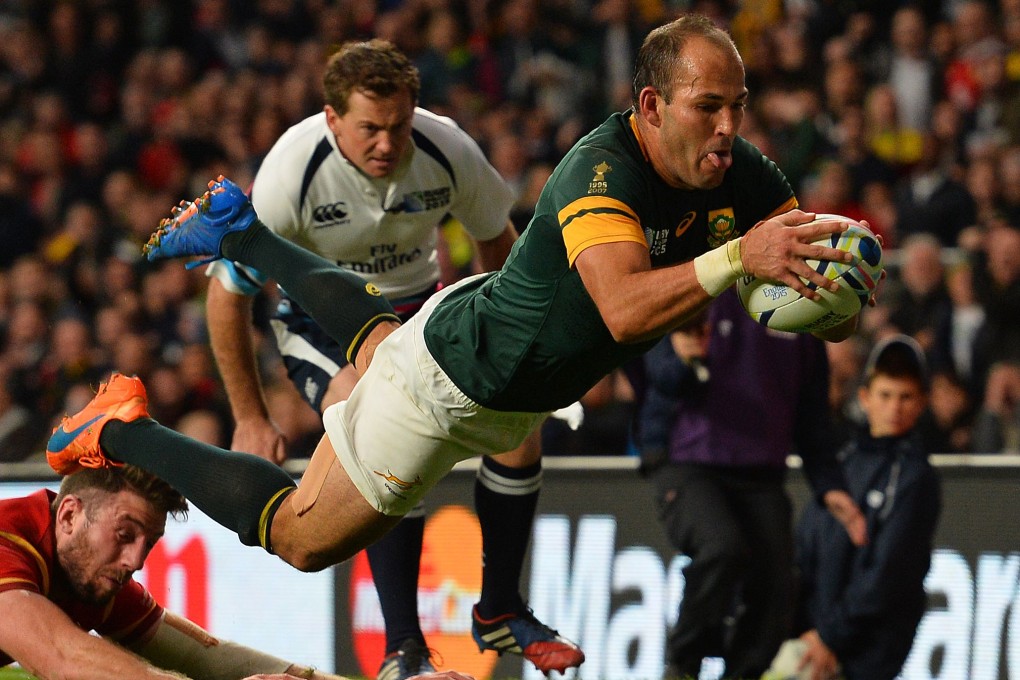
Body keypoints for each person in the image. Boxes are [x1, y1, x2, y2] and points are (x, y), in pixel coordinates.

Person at [46, 13, 861, 676]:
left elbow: (783, 285)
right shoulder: (601, 171)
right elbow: (621, 310)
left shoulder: (744, 173)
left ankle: (242, 231)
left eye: (737, 105)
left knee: (387, 342)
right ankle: (117, 428)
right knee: (299, 536)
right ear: (650, 107)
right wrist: (734, 260)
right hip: (452, 386)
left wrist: (834, 297)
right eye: (705, 106)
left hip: (490, 345)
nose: (726, 127)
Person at [202, 39, 577, 679]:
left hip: (418, 312)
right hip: (320, 326)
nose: (385, 142)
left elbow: (497, 242)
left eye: (398, 126)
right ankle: (403, 647)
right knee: (365, 402)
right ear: (331, 120)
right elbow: (225, 296)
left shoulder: (447, 149)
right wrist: (249, 415)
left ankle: (500, 607)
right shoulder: (292, 169)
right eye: (369, 128)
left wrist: (511, 345)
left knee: (519, 422)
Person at [0, 464, 470, 680]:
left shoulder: (90, 570)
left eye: (148, 544)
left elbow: (207, 657)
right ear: (68, 516)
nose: (137, 560)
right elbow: (63, 658)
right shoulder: (7, 541)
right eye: (126, 535)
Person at [635, 289, 867, 680]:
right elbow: (657, 377)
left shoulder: (806, 307)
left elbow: (812, 418)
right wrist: (684, 359)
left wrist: (831, 487)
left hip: (762, 473)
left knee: (778, 584)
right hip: (690, 462)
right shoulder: (705, 282)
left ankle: (744, 674)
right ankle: (682, 667)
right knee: (721, 548)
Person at [791, 335, 942, 680]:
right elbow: (807, 545)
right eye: (885, 395)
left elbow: (888, 574)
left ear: (922, 403)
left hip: (868, 654)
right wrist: (806, 630)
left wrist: (830, 637)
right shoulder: (840, 461)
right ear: (865, 397)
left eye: (906, 397)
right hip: (815, 641)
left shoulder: (916, 477)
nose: (894, 408)